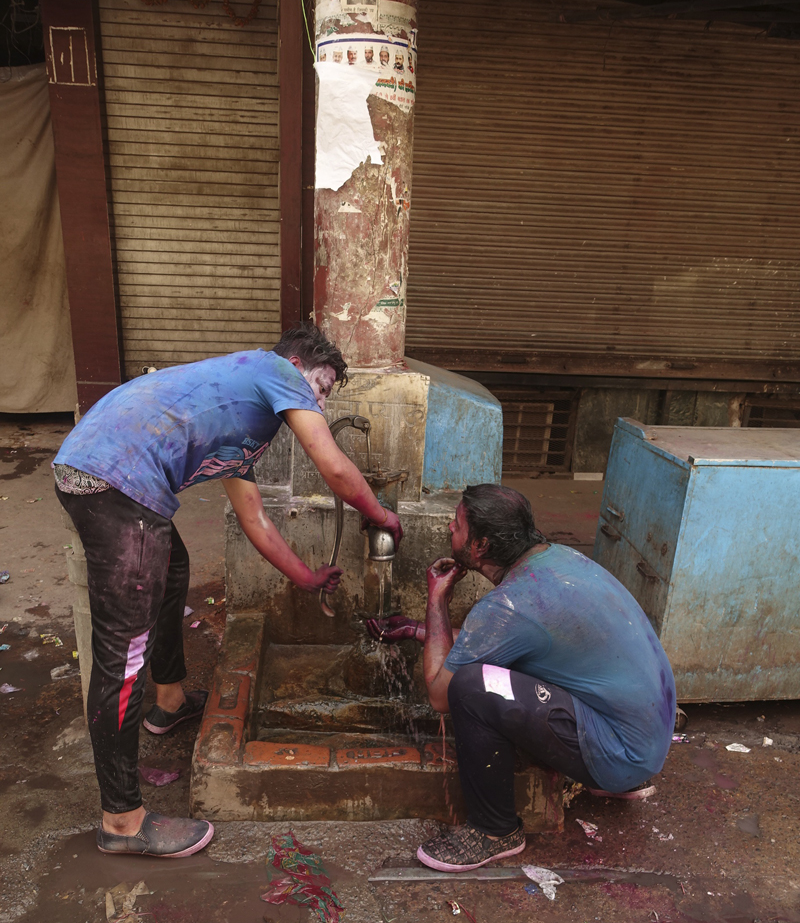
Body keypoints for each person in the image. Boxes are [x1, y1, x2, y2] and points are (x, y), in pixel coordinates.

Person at [54, 324, 402, 860]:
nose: (320, 400)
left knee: (173, 569)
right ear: (297, 363)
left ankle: (168, 701)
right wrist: (382, 515)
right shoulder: (275, 370)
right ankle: (121, 821)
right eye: (322, 385)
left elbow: (255, 518)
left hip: (108, 469)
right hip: (114, 478)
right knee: (121, 655)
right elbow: (333, 465)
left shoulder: (240, 417)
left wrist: (305, 578)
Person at [367, 484, 675, 872]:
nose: (449, 527)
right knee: (507, 668)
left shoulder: (507, 605)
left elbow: (440, 693)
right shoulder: (559, 560)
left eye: (457, 524)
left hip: (620, 756)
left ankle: (494, 831)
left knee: (473, 687)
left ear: (479, 546)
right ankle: (617, 775)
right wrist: (416, 631)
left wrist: (436, 603)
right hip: (645, 740)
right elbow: (503, 640)